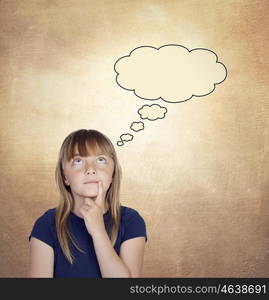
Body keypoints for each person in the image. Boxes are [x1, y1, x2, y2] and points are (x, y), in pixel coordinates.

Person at [28, 129, 147, 278]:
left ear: (113, 173)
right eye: (78, 161)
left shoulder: (131, 221)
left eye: (100, 160)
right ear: (65, 176)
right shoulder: (47, 224)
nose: (90, 169)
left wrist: (98, 231)